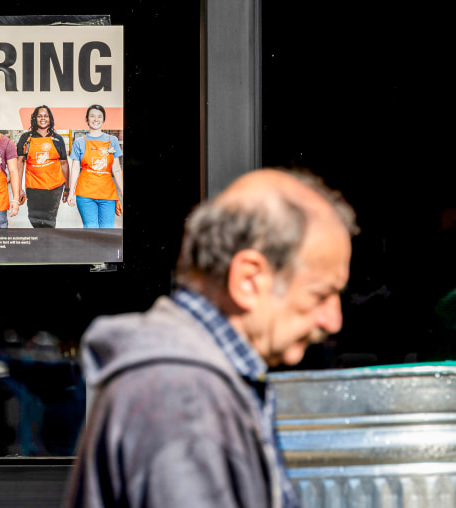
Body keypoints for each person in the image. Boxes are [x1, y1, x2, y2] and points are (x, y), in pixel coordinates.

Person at [64, 169, 358, 508]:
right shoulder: (182, 396)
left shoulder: (194, 382)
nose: (333, 320)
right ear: (248, 280)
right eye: (321, 294)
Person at [67, 105, 124, 228]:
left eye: (99, 116)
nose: (96, 119)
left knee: (107, 230)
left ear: (103, 120)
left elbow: (117, 169)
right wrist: (71, 192)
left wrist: (122, 190)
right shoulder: (80, 142)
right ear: (87, 119)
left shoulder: (112, 140)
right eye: (92, 116)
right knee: (90, 230)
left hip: (107, 193)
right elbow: (75, 168)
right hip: (85, 193)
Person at [16, 105, 70, 228]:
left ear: (50, 119)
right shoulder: (26, 138)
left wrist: (67, 188)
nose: (43, 118)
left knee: (50, 219)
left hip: (54, 188)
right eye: (39, 116)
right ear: (35, 118)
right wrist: (18, 188)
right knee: (34, 218)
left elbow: (64, 164)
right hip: (33, 187)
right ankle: (39, 242)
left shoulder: (57, 139)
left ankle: (47, 244)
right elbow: (19, 163)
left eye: (45, 116)